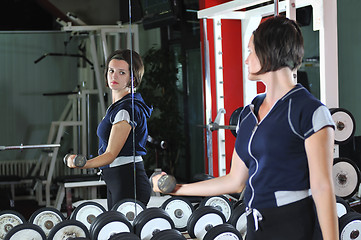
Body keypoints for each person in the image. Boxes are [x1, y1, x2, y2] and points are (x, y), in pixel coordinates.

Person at [152, 16, 338, 240]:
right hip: (256, 226)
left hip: (294, 226)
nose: (246, 60)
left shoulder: (310, 111)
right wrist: (176, 189)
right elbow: (235, 181)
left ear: (268, 52)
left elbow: (322, 188)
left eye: (250, 51)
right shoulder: (248, 115)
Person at [66, 49, 153, 209]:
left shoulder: (126, 109)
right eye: (111, 71)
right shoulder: (119, 106)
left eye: (121, 72)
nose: (114, 76)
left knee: (123, 232)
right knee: (116, 231)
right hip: (117, 178)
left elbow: (110, 155)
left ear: (132, 78)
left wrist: (81, 163)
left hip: (127, 180)